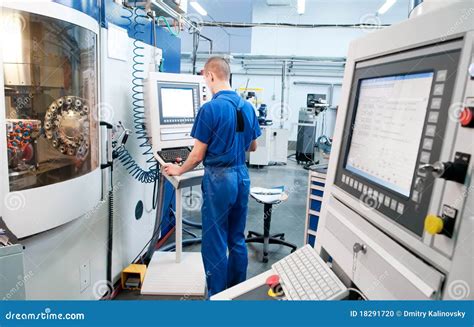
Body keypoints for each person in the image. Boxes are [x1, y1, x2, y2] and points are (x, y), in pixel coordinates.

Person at [163, 57, 261, 298]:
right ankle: (237, 291)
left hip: (219, 179)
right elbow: (254, 146)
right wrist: (233, 145)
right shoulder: (247, 106)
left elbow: (196, 155)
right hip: (241, 176)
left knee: (215, 240)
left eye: (205, 78)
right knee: (236, 237)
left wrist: (178, 170)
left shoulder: (210, 108)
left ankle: (217, 296)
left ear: (210, 76)